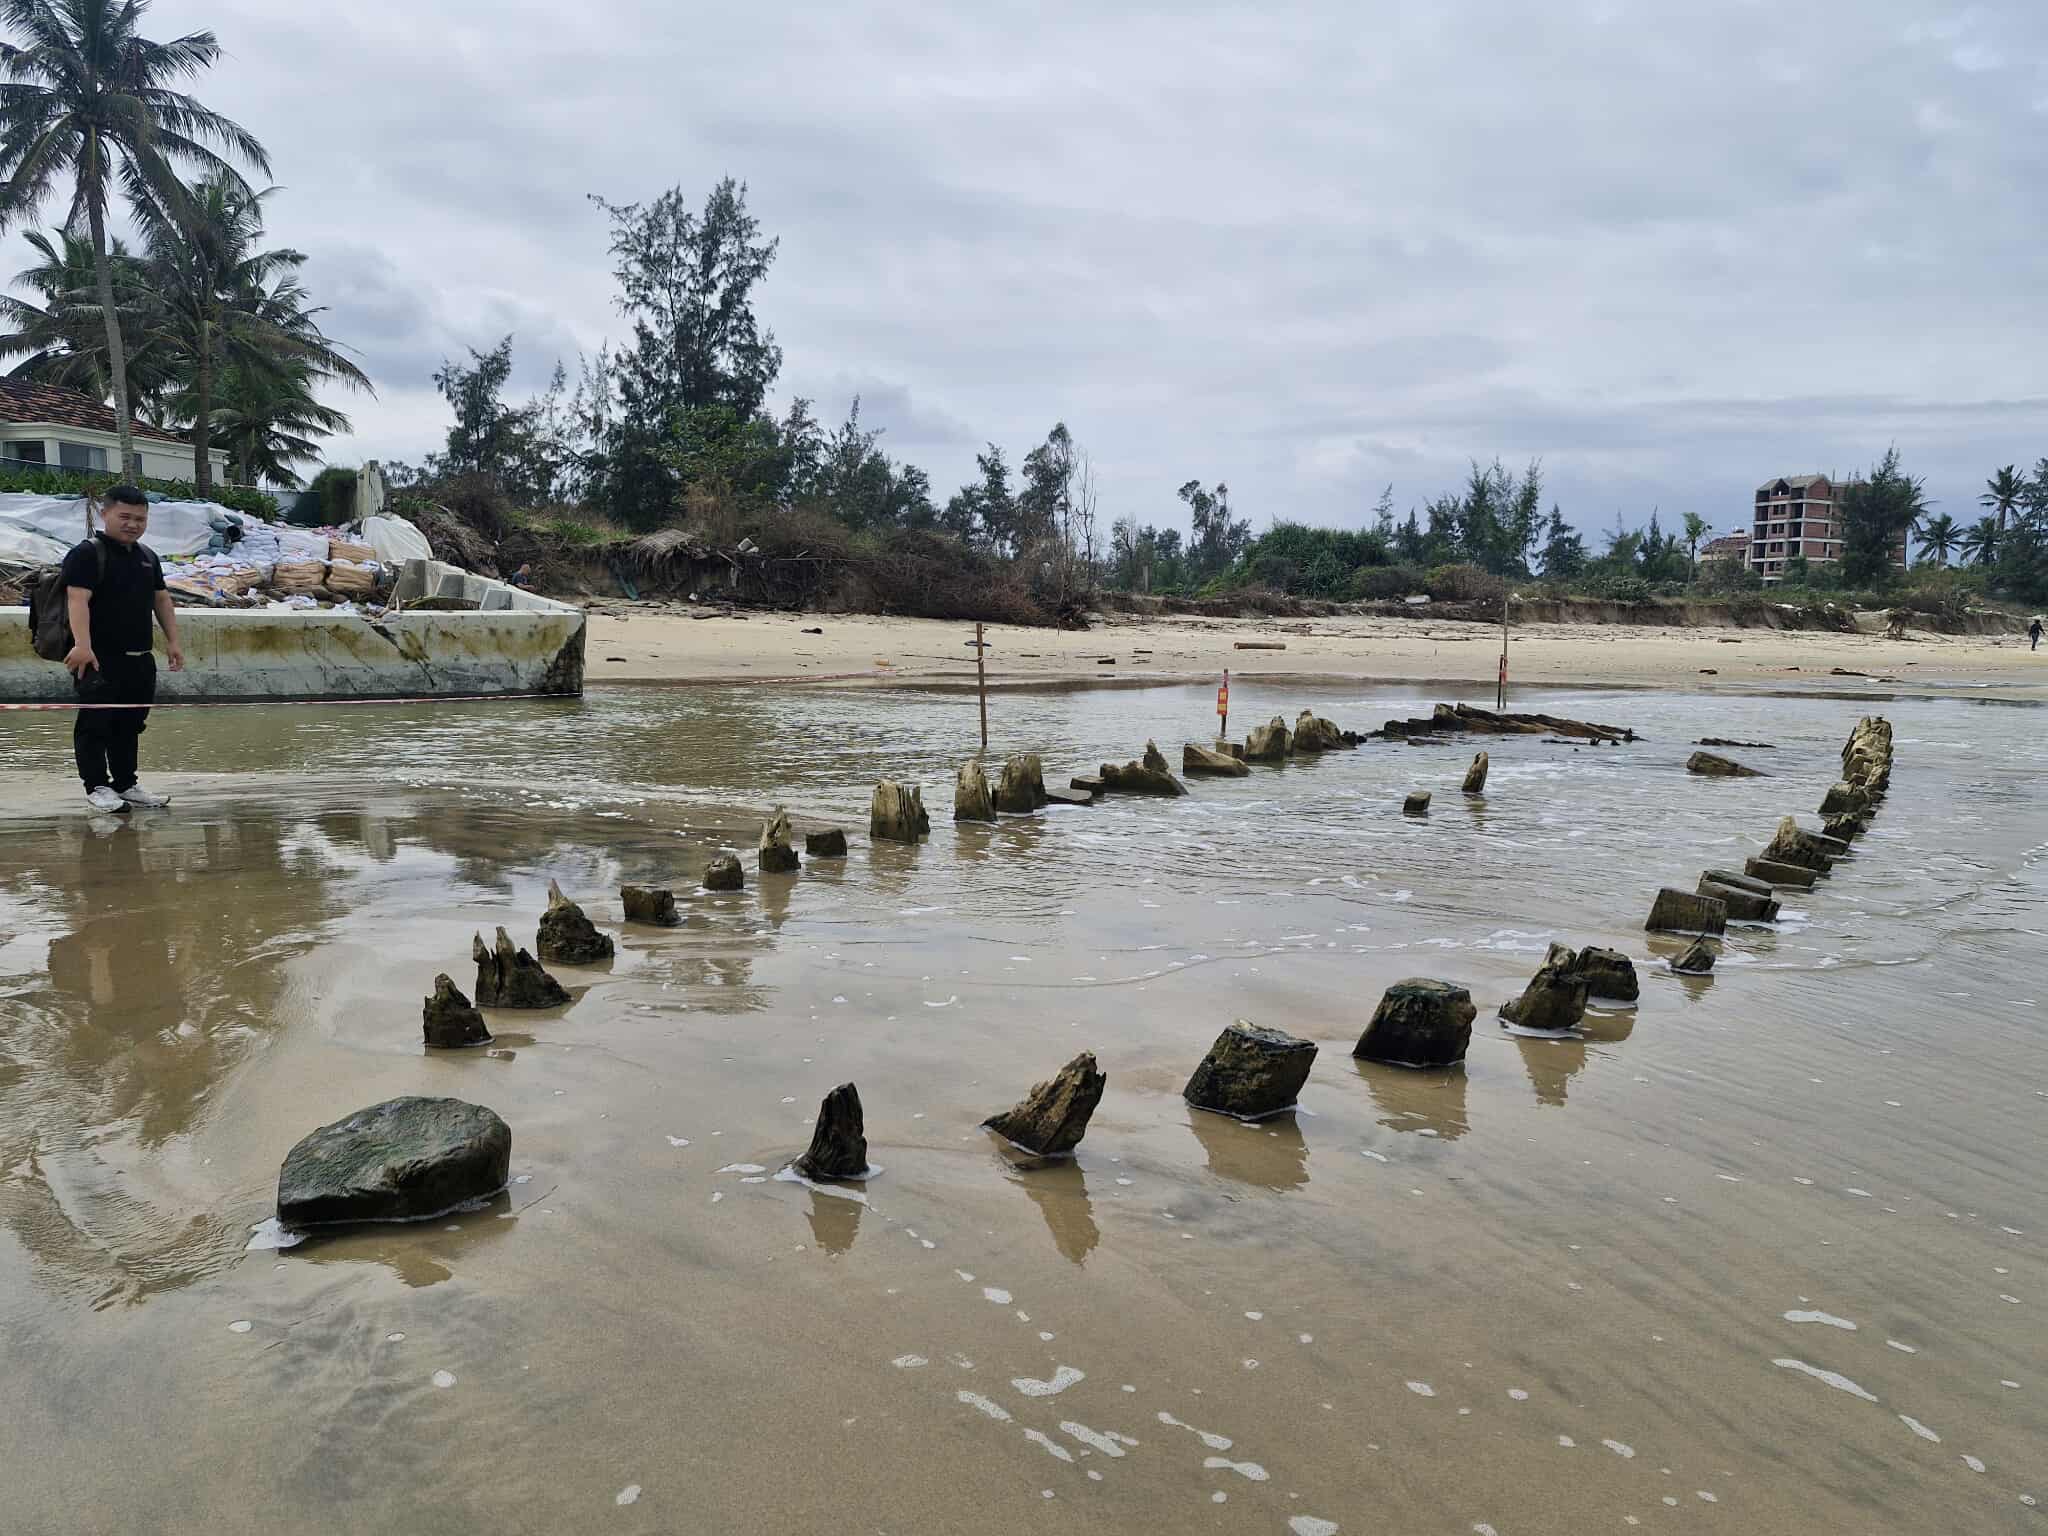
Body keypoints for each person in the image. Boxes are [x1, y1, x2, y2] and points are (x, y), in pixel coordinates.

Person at [60, 486, 184, 813]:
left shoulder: (147, 557)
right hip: (99, 658)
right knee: (95, 724)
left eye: (140, 519)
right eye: (124, 517)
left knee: (130, 724)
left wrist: (173, 642)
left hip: (140, 659)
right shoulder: (87, 553)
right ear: (106, 514)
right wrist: (83, 646)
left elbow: (161, 599)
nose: (132, 524)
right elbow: (77, 599)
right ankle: (97, 787)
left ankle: (126, 784)